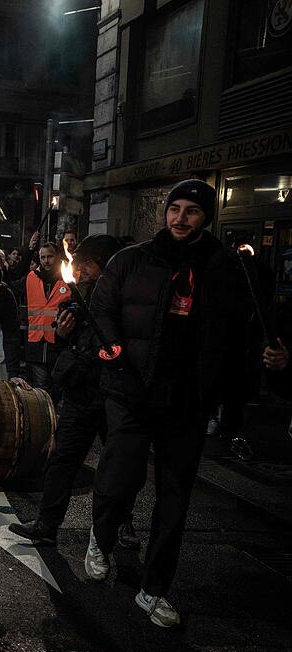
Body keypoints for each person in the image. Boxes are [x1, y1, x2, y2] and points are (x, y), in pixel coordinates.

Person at [85, 179, 251, 628]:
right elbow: (100, 309)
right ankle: (100, 538)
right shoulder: (132, 260)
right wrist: (117, 353)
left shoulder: (223, 268)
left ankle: (154, 588)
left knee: (174, 499)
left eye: (191, 211)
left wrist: (247, 376)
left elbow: (241, 331)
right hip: (133, 390)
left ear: (205, 217)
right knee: (120, 475)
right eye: (174, 208)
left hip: (188, 400)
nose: (180, 218)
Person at [10, 234, 124, 546]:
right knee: (62, 460)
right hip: (81, 391)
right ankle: (47, 525)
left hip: (113, 393)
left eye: (85, 264)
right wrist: (62, 334)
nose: (80, 269)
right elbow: (69, 342)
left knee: (118, 466)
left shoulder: (122, 297)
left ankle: (123, 525)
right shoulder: (80, 295)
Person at [16, 242, 70, 395]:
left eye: (50, 256)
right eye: (43, 257)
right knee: (41, 388)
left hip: (59, 343)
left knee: (58, 386)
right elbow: (11, 282)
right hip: (36, 344)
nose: (46, 261)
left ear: (57, 256)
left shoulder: (69, 278)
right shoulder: (31, 278)